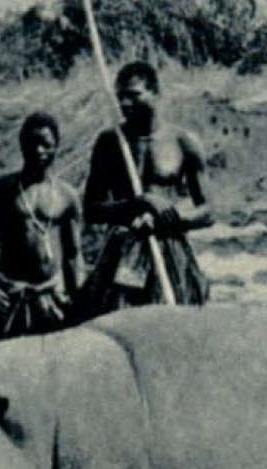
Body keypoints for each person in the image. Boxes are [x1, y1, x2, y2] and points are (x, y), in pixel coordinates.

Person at [81, 62, 213, 313]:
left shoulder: (183, 142)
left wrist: (171, 218)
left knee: (174, 328)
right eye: (120, 97)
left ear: (155, 92)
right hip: (122, 253)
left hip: (170, 252)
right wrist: (139, 203)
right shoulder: (110, 142)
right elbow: (92, 210)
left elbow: (208, 211)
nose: (125, 104)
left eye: (133, 95)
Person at [0, 112, 82, 337]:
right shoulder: (1, 191)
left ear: (56, 146)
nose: (38, 150)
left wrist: (76, 298)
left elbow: (73, 255)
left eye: (45, 144)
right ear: (21, 145)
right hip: (13, 296)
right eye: (31, 144)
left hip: (54, 295)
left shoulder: (67, 195)